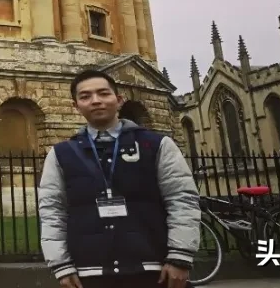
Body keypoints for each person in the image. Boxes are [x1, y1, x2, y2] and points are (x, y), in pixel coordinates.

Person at [38, 69, 200, 288]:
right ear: (75, 106)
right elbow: (52, 210)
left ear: (119, 99)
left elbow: (182, 200)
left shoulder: (157, 144)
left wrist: (180, 257)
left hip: (154, 269)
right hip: (88, 273)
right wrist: (61, 265)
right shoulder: (60, 154)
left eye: (103, 93)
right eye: (85, 96)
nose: (96, 101)